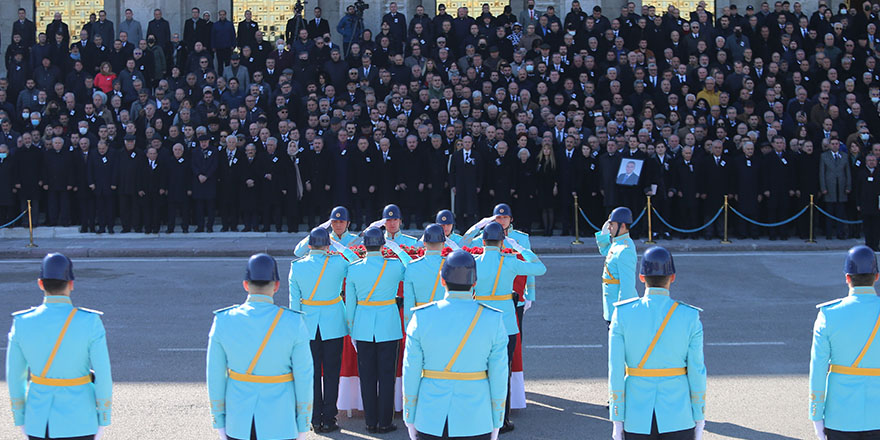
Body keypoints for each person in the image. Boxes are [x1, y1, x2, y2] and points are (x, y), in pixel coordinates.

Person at [402, 249, 508, 440]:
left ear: (442, 280)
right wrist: (497, 419)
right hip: (477, 417)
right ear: (474, 283)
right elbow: (499, 374)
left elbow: (410, 371)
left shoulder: (422, 316)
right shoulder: (492, 318)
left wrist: (409, 414)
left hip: (431, 416)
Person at [207, 253, 313, 440]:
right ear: (277, 285)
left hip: (238, 421)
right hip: (281, 422)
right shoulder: (293, 322)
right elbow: (304, 376)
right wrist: (303, 423)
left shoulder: (223, 320)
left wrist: (219, 421)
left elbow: (215, 375)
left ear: (246, 284)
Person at [6, 253, 112, 440]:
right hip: (81, 419)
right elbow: (103, 374)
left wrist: (20, 416)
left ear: (40, 283)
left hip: (39, 420)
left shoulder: (22, 322)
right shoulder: (90, 321)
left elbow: (15, 377)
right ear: (71, 284)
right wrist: (103, 416)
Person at [608, 246, 706, 440]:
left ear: (641, 277)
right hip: (679, 415)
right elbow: (697, 371)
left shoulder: (622, 313)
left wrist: (617, 418)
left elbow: (616, 369)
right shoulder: (689, 316)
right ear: (673, 277)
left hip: (636, 416)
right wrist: (699, 415)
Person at [472, 221, 546, 432]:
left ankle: (483, 418)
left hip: (481, 321)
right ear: (503, 242)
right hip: (506, 322)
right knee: (502, 373)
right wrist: (522, 248)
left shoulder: (475, 262)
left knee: (481, 372)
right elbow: (540, 268)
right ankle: (502, 420)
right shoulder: (510, 260)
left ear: (484, 240)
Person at [289, 228, 356, 433]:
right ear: (328, 244)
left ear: (309, 245)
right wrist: (337, 245)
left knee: (312, 374)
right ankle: (329, 418)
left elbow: (294, 303)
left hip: (308, 325)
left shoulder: (298, 267)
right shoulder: (338, 262)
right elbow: (355, 261)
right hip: (333, 323)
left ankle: (314, 416)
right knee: (332, 373)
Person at [344, 227, 411, 433]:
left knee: (367, 376)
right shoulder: (393, 267)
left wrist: (352, 329)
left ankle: (370, 422)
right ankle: (385, 421)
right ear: (383, 245)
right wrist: (397, 248)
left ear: (364, 246)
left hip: (363, 326)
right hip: (388, 326)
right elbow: (411, 265)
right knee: (387, 376)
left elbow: (350, 307)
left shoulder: (354, 269)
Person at [809, 245, 880, 440]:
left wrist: (816, 416)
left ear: (847, 277)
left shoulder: (828, 314)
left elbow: (818, 369)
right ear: (876, 276)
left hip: (840, 416)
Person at [596, 207, 638, 325]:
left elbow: (627, 286)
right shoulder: (618, 243)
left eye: (612, 224)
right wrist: (603, 235)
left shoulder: (625, 250)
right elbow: (606, 251)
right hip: (611, 308)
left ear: (622, 226)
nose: (609, 227)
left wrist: (622, 312)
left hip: (618, 312)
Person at [403, 224, 448, 324]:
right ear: (444, 243)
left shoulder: (412, 266)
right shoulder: (450, 265)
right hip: (445, 318)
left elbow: (409, 300)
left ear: (424, 243)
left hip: (421, 319)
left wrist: (408, 325)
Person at [293, 206, 359, 257]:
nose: (338, 225)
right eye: (334, 222)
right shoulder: (323, 239)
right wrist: (315, 233)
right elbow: (298, 253)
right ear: (330, 223)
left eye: (341, 222)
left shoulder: (356, 240)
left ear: (348, 223)